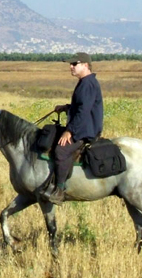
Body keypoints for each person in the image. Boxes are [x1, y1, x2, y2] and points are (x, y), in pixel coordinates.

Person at [42, 52, 103, 205]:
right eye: (71, 64)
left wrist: (70, 131)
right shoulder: (85, 82)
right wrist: (66, 107)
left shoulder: (87, 83)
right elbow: (80, 107)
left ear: (85, 65)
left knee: (61, 150)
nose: (71, 67)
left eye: (74, 64)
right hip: (82, 126)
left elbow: (83, 111)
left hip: (86, 130)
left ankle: (60, 190)